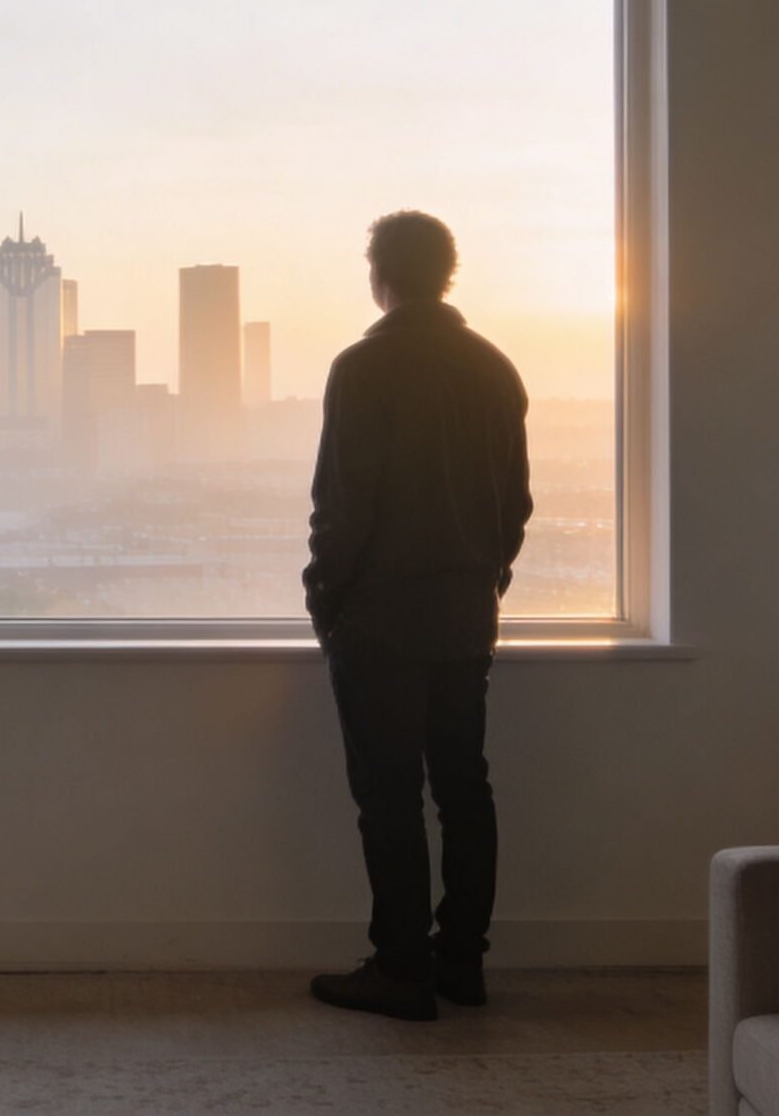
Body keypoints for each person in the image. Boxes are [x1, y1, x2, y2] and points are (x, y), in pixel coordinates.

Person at [303, 210, 532, 1022]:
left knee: (390, 796)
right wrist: (485, 581)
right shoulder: (495, 370)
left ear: (380, 274)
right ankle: (461, 964)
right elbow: (515, 508)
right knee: (465, 790)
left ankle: (400, 968)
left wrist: (322, 598)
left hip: (380, 620)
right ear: (448, 272)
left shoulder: (362, 368)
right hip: (466, 616)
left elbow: (343, 507)